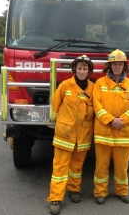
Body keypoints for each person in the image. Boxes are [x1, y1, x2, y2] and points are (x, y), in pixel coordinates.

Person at [47, 55, 95, 215]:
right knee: (60, 167)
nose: (82, 71)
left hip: (83, 136)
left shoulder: (94, 88)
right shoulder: (65, 86)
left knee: (77, 166)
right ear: (74, 69)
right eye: (79, 68)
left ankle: (74, 190)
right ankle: (55, 198)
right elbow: (55, 105)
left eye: (85, 68)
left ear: (89, 71)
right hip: (65, 135)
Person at [92, 49, 129, 205]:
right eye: (114, 64)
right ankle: (100, 193)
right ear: (109, 66)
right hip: (104, 132)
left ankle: (122, 191)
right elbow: (96, 106)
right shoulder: (100, 83)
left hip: (123, 133)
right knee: (101, 166)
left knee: (122, 167)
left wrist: (122, 121)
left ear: (124, 66)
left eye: (120, 64)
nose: (117, 67)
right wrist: (111, 120)